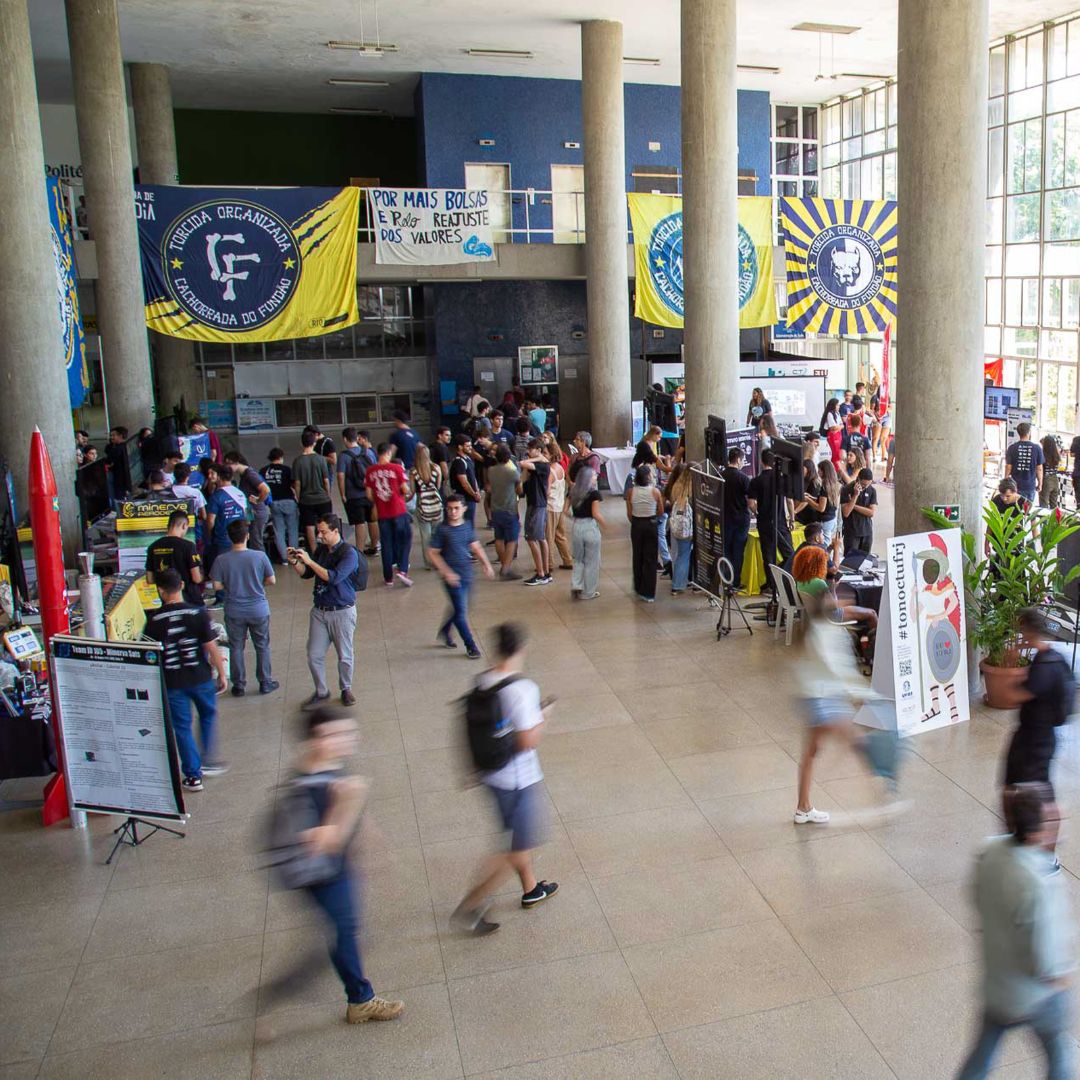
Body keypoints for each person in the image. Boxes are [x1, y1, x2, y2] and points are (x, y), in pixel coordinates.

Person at [267, 706, 404, 1024]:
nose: (347, 740)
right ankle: (357, 1000)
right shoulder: (301, 791)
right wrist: (347, 803)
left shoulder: (331, 766)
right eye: (337, 734)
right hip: (318, 874)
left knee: (347, 932)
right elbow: (321, 843)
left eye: (349, 733)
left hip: (336, 867)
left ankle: (356, 995)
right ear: (317, 739)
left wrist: (372, 838)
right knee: (344, 934)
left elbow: (353, 819)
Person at [955, 782, 1073, 1079]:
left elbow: (976, 896)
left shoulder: (989, 851)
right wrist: (1060, 978)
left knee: (980, 1059)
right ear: (1036, 830)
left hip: (996, 987)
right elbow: (1043, 955)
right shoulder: (1037, 881)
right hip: (1035, 997)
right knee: (1058, 1055)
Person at [451, 623, 558, 935]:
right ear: (521, 650)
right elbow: (528, 740)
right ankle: (471, 905)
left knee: (514, 835)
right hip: (519, 781)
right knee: (514, 846)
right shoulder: (523, 689)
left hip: (492, 776)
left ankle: (530, 888)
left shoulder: (484, 681)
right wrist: (545, 716)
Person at [144, 568, 228, 792]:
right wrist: (221, 673)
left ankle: (193, 775)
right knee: (208, 715)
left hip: (173, 683)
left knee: (182, 727)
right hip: (200, 677)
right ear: (181, 585)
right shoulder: (198, 613)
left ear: (160, 591)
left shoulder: (153, 621)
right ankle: (209, 760)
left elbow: (151, 656)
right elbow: (211, 646)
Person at [289, 512, 361, 708]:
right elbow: (307, 574)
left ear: (336, 531)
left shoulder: (348, 553)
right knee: (314, 655)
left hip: (342, 611)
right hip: (320, 611)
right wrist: (296, 562)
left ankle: (346, 688)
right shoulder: (321, 551)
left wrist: (310, 561)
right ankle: (322, 691)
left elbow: (334, 577)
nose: (319, 536)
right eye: (319, 532)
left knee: (345, 655)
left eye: (323, 532)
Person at [1002, 609, 1076, 799]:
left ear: (1027, 630)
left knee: (1025, 791)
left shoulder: (1043, 666)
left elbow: (1011, 697)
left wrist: (1011, 665)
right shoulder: (1054, 658)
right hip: (1043, 738)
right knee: (1039, 787)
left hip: (1033, 742)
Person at [212, 519, 278, 696]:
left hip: (234, 610)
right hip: (258, 609)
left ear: (230, 537)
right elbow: (272, 580)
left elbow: (216, 586)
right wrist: (258, 584)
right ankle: (265, 682)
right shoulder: (260, 556)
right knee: (262, 646)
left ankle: (239, 685)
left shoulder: (221, 560)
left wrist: (231, 586)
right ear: (247, 536)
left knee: (236, 647)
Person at [428, 494, 495, 658]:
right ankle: (471, 646)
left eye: (456, 508)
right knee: (460, 613)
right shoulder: (442, 530)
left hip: (467, 575)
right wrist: (446, 572)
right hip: (452, 579)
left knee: (461, 609)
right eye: (450, 508)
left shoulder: (467, 526)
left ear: (464, 509)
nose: (453, 512)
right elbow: (432, 553)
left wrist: (486, 564)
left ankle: (445, 630)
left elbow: (476, 546)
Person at [364, 443, 413, 588]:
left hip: (382, 513)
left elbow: (368, 494)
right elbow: (405, 489)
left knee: (386, 544)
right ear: (388, 453)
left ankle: (388, 578)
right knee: (406, 538)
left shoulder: (369, 471)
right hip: (398, 511)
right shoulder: (397, 468)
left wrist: (379, 500)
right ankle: (402, 569)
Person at [748, 449, 794, 596]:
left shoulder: (756, 481)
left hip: (764, 522)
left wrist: (757, 512)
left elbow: (751, 503)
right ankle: (783, 578)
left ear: (762, 461)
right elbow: (789, 500)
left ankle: (771, 584)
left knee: (768, 554)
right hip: (780, 521)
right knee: (789, 553)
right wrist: (792, 518)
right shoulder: (781, 479)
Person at [145, 508, 204, 606]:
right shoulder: (188, 546)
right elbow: (196, 578)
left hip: (167, 603)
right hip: (191, 601)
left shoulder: (153, 547)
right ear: (184, 525)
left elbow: (150, 579)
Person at [627, 464, 664, 602]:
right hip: (651, 524)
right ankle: (649, 592)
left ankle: (638, 586)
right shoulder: (655, 492)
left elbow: (629, 514)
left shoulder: (631, 492)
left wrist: (637, 520)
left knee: (638, 555)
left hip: (637, 524)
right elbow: (660, 511)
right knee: (650, 558)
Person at [337, 427, 377, 555]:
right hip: (370, 492)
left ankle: (359, 552)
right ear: (357, 438)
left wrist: (342, 494)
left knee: (359, 523)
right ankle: (374, 546)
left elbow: (340, 476)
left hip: (354, 495)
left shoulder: (344, 456)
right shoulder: (368, 452)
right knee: (372, 520)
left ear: (344, 439)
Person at [292, 430, 334, 553]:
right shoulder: (321, 459)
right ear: (315, 443)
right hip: (323, 498)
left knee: (309, 526)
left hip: (306, 499)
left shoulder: (298, 461)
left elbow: (297, 484)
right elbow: (326, 480)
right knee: (326, 524)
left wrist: (299, 498)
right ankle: (329, 548)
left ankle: (315, 551)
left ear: (301, 443)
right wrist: (328, 495)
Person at [204, 462, 248, 577]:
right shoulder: (240, 494)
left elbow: (210, 521)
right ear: (232, 477)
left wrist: (210, 534)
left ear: (219, 477)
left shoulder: (216, 496)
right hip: (240, 537)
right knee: (239, 569)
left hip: (223, 538)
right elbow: (246, 515)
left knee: (223, 571)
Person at [518, 439, 552, 586]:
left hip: (538, 505)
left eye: (530, 449)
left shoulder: (543, 466)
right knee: (540, 538)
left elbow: (522, 463)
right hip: (533, 503)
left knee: (532, 538)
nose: (528, 452)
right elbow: (521, 481)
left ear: (538, 450)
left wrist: (537, 458)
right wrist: (535, 458)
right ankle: (545, 571)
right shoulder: (535, 465)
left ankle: (541, 573)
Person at [223, 451, 272, 552]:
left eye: (229, 463)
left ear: (237, 462)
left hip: (257, 512)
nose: (227, 467)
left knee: (256, 541)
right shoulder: (244, 475)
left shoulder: (250, 474)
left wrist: (258, 500)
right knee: (253, 541)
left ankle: (261, 564)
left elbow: (265, 489)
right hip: (252, 512)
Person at [486, 444, 521, 580]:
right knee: (512, 539)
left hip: (495, 508)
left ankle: (503, 564)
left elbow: (489, 487)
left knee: (499, 538)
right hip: (509, 509)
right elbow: (519, 490)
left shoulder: (491, 470)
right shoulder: (511, 473)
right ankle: (506, 569)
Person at [569, 465, 605, 600]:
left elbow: (565, 510)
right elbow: (595, 514)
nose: (596, 477)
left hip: (577, 526)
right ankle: (588, 592)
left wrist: (574, 517)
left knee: (578, 558)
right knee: (592, 560)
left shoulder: (573, 491)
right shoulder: (594, 494)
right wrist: (605, 525)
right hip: (590, 526)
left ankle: (576, 584)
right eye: (595, 475)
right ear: (589, 478)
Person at [722, 447, 752, 590]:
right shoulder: (743, 478)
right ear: (739, 460)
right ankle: (736, 582)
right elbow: (750, 499)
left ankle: (726, 579)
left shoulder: (720, 476)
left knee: (726, 550)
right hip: (741, 520)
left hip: (725, 519)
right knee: (738, 551)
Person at [410, 444, 444, 570]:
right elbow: (438, 486)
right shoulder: (436, 468)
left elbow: (412, 492)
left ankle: (428, 563)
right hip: (436, 505)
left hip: (422, 506)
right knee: (437, 534)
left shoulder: (413, 472)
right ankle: (438, 560)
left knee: (426, 536)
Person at [261, 448, 298, 564]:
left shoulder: (263, 471)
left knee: (279, 531)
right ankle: (293, 557)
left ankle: (284, 558)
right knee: (292, 529)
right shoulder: (287, 470)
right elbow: (294, 485)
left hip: (274, 503)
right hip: (289, 501)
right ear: (281, 457)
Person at [664, 463, 694, 595]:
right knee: (684, 555)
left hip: (676, 525)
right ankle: (678, 584)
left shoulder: (676, 487)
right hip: (688, 527)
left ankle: (678, 581)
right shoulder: (692, 489)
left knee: (679, 553)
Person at [544, 442, 572, 570]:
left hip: (550, 507)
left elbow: (547, 491)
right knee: (560, 535)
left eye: (545, 453)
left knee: (548, 536)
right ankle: (568, 560)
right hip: (559, 506)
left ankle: (548, 564)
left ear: (551, 455)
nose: (543, 455)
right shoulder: (560, 467)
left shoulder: (550, 471)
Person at [841, 466, 877, 557]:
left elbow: (871, 513)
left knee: (864, 561)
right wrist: (855, 495)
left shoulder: (872, 490)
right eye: (863, 484)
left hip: (867, 531)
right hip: (852, 532)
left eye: (868, 484)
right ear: (858, 479)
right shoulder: (847, 489)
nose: (865, 487)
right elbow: (846, 512)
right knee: (850, 562)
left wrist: (853, 505)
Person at [1005, 422, 1044, 505]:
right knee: (1027, 511)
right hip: (1030, 485)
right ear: (1029, 432)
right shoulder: (1037, 448)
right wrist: (1040, 483)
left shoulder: (1012, 448)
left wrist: (1006, 480)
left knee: (1015, 511)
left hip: (1015, 486)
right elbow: (1039, 468)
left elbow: (1008, 466)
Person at [449, 434, 482, 527]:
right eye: (467, 446)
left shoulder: (468, 459)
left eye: (470, 445)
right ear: (460, 447)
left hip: (471, 496)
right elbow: (464, 482)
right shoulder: (459, 462)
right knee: (466, 523)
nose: (470, 448)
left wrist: (477, 491)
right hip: (465, 498)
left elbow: (472, 477)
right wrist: (474, 494)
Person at [817, 460, 843, 566]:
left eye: (819, 471)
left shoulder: (824, 487)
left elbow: (821, 508)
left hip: (825, 520)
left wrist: (809, 500)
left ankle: (826, 566)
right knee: (828, 544)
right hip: (832, 519)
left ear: (824, 472)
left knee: (824, 546)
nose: (818, 473)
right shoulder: (836, 485)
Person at [820, 397, 844, 466]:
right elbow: (833, 427)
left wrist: (838, 427)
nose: (839, 406)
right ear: (833, 405)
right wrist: (839, 427)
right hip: (832, 436)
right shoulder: (829, 414)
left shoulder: (837, 413)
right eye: (837, 405)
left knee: (838, 453)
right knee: (835, 453)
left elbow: (842, 425)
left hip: (838, 435)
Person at [1040, 436, 1062, 510]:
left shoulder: (1043, 455)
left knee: (1044, 504)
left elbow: (1041, 469)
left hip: (1046, 479)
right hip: (1055, 479)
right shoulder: (1057, 455)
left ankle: (1044, 521)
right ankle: (1055, 520)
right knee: (1054, 504)